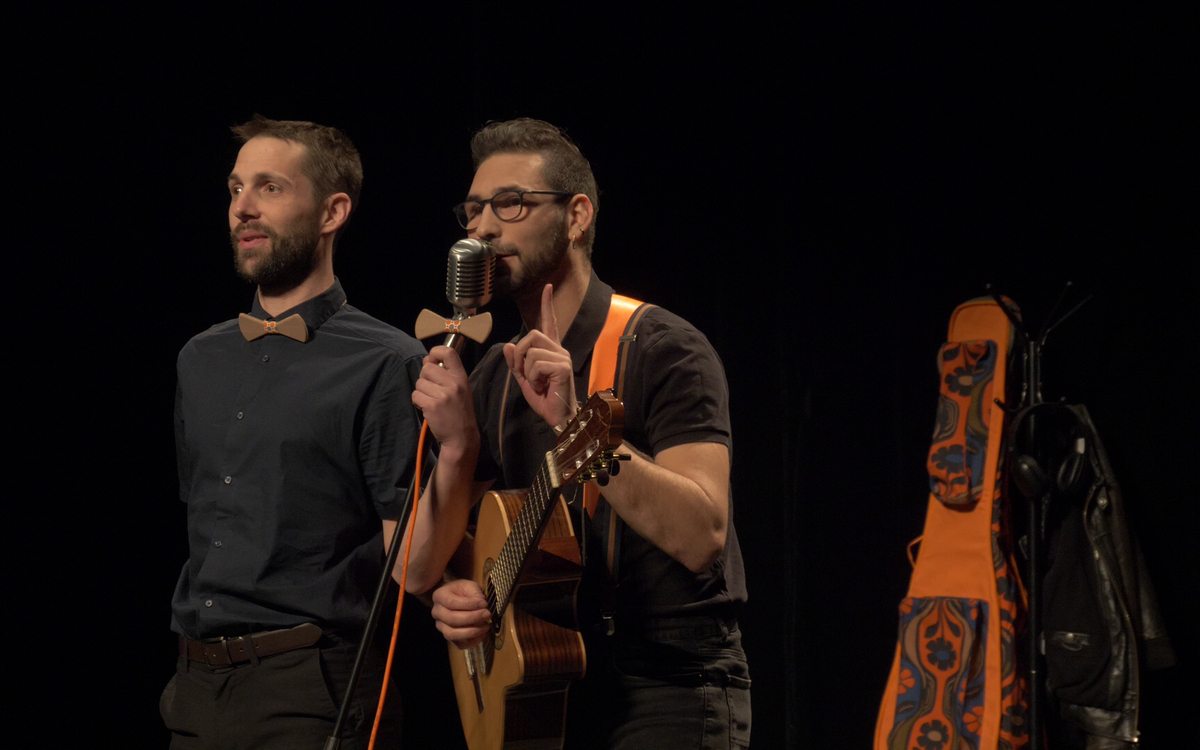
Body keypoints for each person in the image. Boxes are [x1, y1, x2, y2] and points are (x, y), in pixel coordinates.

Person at [428, 118, 751, 749]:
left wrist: (576, 427)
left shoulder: (665, 347)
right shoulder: (494, 369)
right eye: (472, 211)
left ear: (577, 216)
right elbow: (467, 542)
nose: (483, 228)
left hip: (666, 685)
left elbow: (701, 535)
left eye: (510, 203)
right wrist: (460, 591)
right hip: (548, 681)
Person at [162, 115, 478, 750]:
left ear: (334, 211)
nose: (242, 208)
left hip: (308, 688)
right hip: (193, 686)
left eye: (270, 188)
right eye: (234, 189)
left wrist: (460, 449)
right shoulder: (199, 358)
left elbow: (413, 569)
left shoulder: (387, 362)